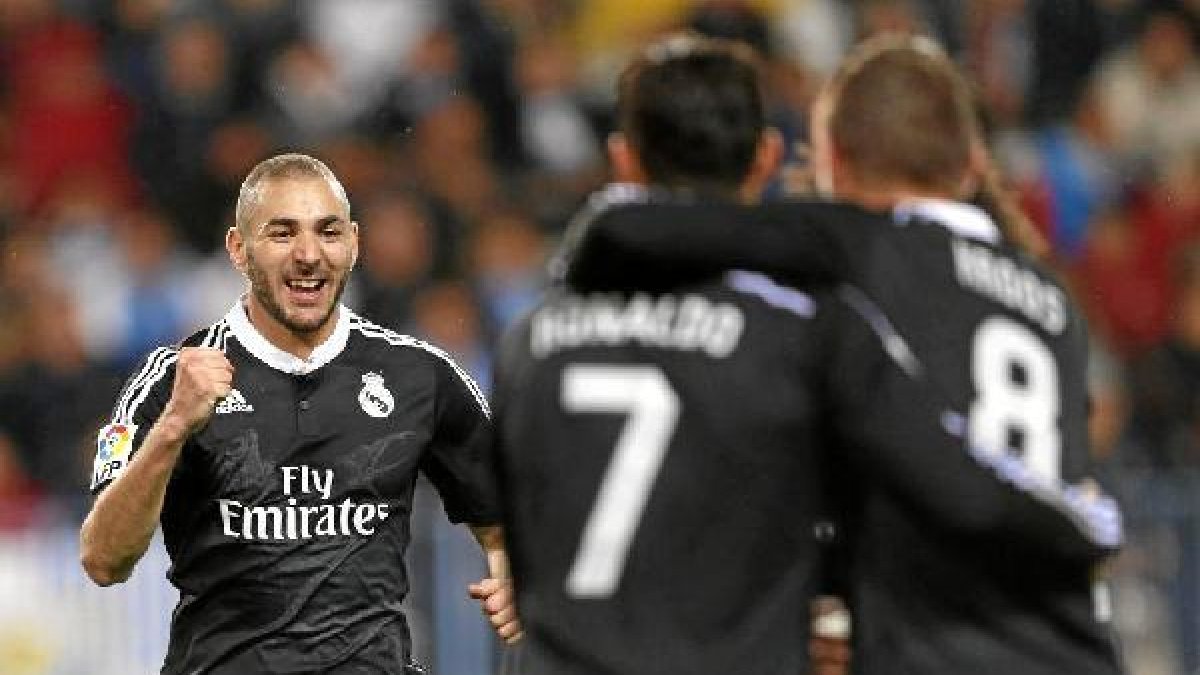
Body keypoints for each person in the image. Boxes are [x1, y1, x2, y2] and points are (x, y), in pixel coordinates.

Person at [492, 34, 1116, 675]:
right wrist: (1080, 519)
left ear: (836, 166)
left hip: (935, 640)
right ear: (972, 165)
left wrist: (594, 237)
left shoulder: (853, 264)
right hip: (1068, 635)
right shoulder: (1048, 297)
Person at [79, 153, 519, 674]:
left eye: (328, 232)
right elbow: (103, 560)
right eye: (283, 234)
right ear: (239, 250)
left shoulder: (419, 375)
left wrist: (514, 570)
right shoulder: (173, 380)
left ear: (353, 243)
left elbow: (504, 513)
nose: (309, 254)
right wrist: (174, 428)